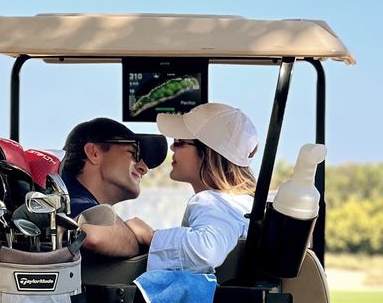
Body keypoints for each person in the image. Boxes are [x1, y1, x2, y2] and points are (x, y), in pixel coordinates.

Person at [125, 103, 258, 271]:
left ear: (208, 153)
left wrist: (152, 237)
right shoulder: (241, 204)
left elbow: (207, 251)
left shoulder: (213, 202)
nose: (172, 147)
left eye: (179, 142)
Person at [60, 117, 168, 256]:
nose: (144, 168)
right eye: (134, 153)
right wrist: (144, 236)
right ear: (94, 153)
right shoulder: (66, 202)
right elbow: (94, 234)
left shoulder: (73, 201)